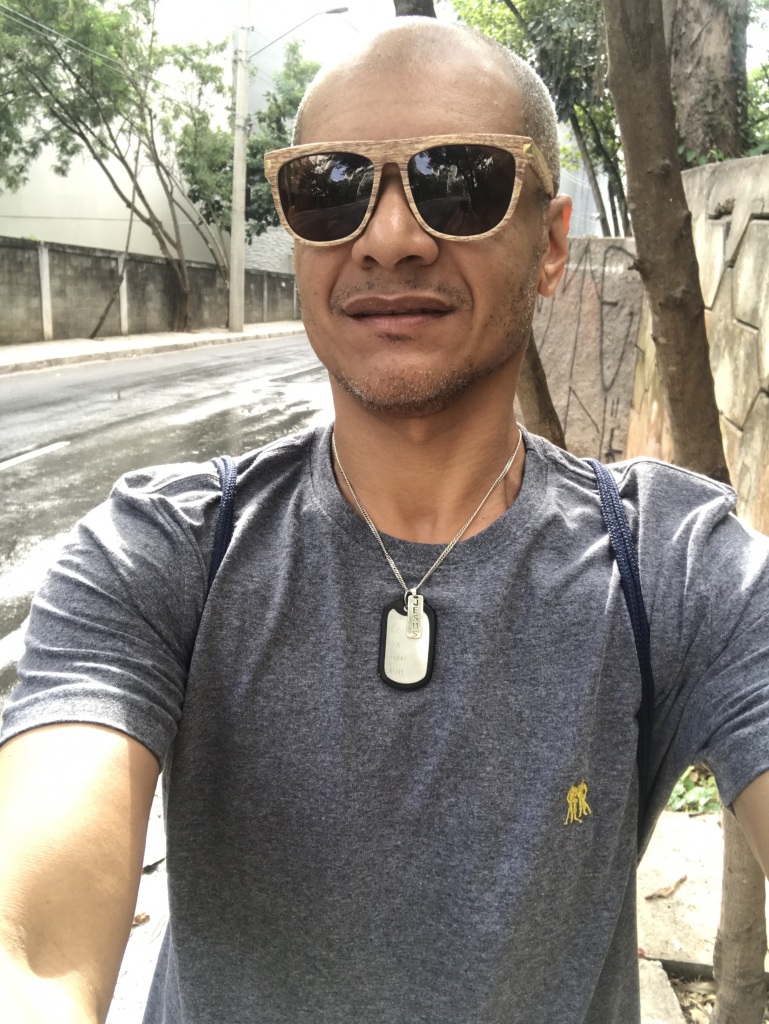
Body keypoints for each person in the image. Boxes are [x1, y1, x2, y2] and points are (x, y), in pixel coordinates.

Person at [1, 17, 768, 1024]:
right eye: (330, 189)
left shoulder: (671, 565)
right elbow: (32, 950)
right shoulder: (163, 553)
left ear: (549, 244)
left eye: (461, 181)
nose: (391, 236)